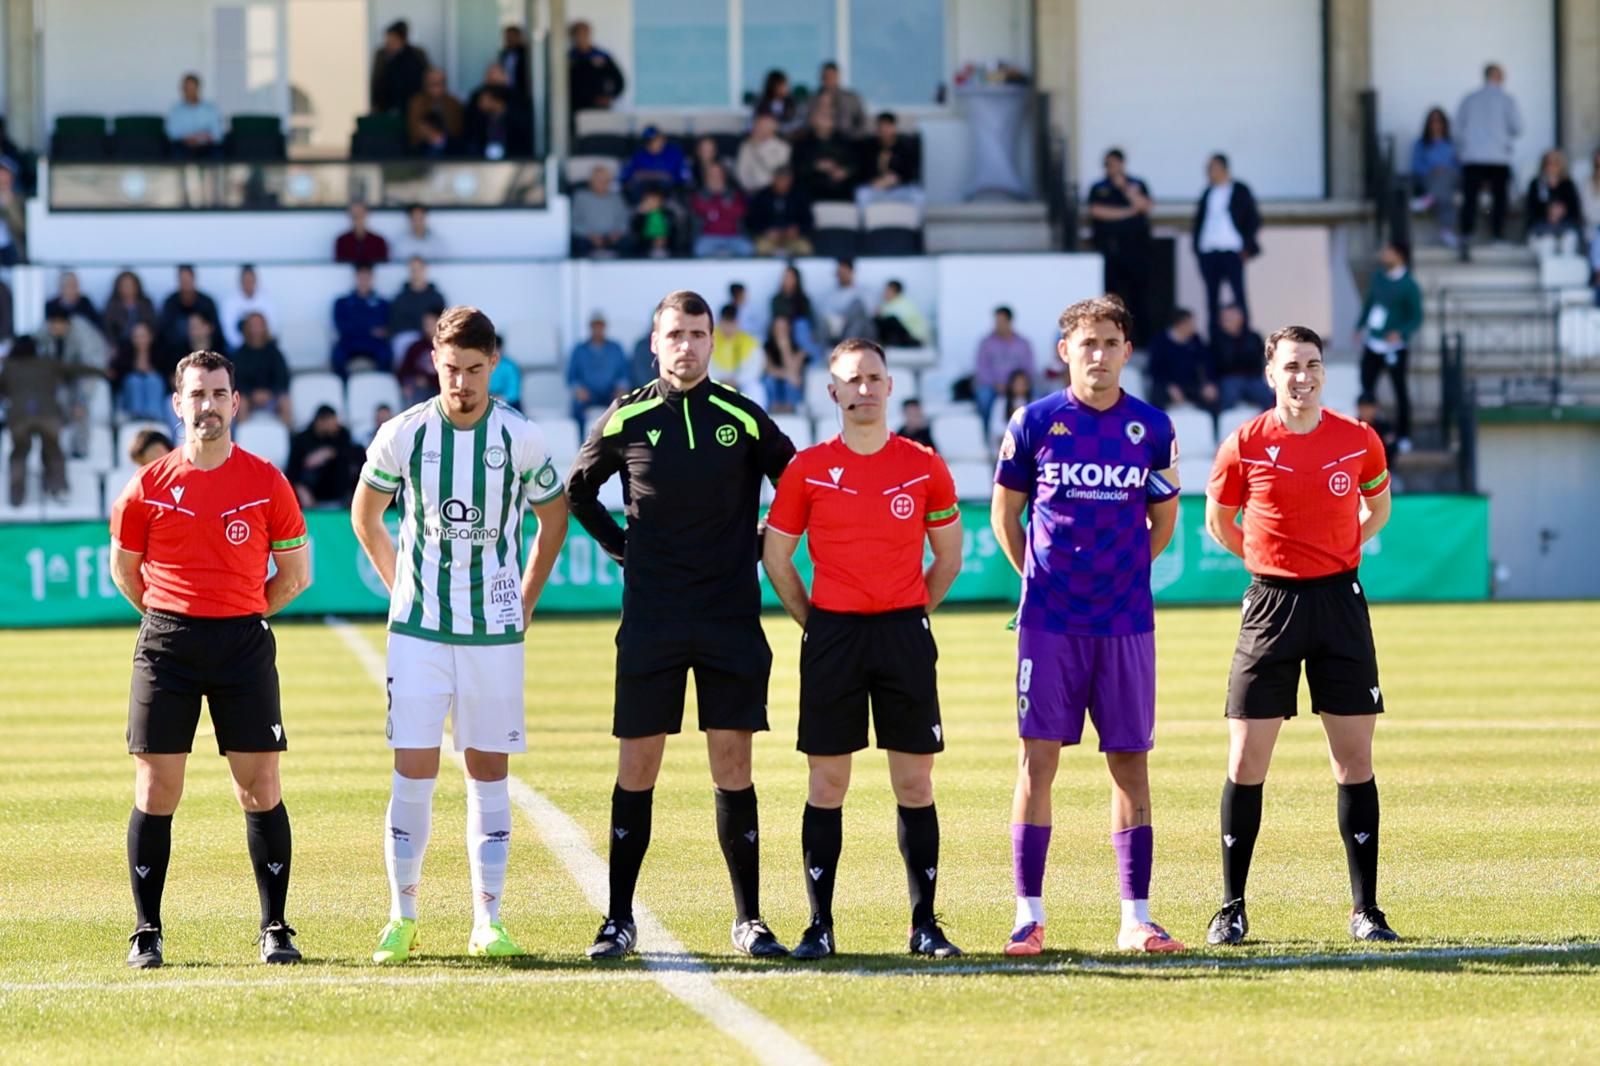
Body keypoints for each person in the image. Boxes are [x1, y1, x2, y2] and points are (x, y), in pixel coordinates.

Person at [565, 289, 797, 961]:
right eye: (674, 334)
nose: (686, 346)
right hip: (653, 618)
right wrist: (624, 548)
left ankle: (748, 920)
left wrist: (762, 542)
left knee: (734, 766)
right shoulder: (628, 415)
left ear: (712, 341)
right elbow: (578, 490)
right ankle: (617, 920)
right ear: (655, 342)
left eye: (697, 334)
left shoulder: (743, 418)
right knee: (638, 766)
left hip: (729, 616)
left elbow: (800, 485)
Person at [352, 306, 569, 964]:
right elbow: (367, 516)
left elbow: (552, 521)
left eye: (474, 370)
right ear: (434, 363)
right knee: (411, 771)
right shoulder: (405, 434)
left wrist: (524, 601)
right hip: (418, 631)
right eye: (451, 369)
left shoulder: (520, 438)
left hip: (492, 634)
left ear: (493, 364)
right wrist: (400, 589)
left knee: (488, 773)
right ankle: (403, 916)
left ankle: (488, 921)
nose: (462, 383)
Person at [991, 294, 1185, 957]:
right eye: (1086, 343)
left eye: (1110, 342)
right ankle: (1028, 915)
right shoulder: (1035, 422)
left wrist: (1123, 572)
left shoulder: (1153, 428)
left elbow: (1163, 520)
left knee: (1130, 765)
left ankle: (1135, 918)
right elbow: (1004, 514)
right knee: (1036, 761)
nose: (1098, 354)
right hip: (1049, 622)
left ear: (1127, 351)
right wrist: (1036, 578)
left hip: (1125, 621)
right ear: (1064, 352)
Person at [109, 349, 313, 969]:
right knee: (156, 786)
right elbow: (126, 573)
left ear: (235, 402)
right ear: (178, 404)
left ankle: (275, 927)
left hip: (242, 645)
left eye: (218, 394)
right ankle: (147, 930)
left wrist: (241, 610)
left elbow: (296, 576)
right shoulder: (146, 487)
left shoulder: (266, 481)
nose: (208, 406)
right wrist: (176, 615)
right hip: (167, 645)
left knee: (261, 786)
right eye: (196, 395)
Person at [763, 338, 965, 960]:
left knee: (915, 782)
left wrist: (910, 614)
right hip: (833, 636)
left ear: (889, 386)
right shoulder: (807, 468)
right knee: (827, 782)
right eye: (852, 380)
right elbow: (776, 557)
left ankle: (924, 925)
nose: (864, 389)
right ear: (834, 392)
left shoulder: (924, 464)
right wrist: (815, 623)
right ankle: (819, 926)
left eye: (874, 377)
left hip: (903, 634)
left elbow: (949, 556)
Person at [1203, 325, 1398, 946]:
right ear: (1271, 374)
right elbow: (1219, 523)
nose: (1302, 376)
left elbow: (1379, 508)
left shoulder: (1357, 440)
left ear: (1324, 371)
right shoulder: (1246, 443)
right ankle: (1231, 907)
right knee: (1245, 758)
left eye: (1313, 364)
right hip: (1271, 605)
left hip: (1340, 602)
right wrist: (1267, 561)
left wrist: (1336, 550)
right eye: (1291, 366)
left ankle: (1365, 910)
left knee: (1354, 760)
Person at [1354, 242, 1421, 451]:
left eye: (1388, 251)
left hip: (1394, 347)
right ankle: (1364, 432)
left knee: (1399, 390)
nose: (1384, 255)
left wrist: (1401, 332)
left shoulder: (1409, 285)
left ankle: (1403, 434)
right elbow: (1370, 303)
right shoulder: (1378, 278)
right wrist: (1360, 325)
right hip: (1373, 342)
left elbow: (1416, 317)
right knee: (1366, 386)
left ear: (1399, 255)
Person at [1192, 154, 1261, 338]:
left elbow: (1252, 219)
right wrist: (1198, 250)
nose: (1210, 172)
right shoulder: (1207, 192)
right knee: (1211, 298)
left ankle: (1244, 336)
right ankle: (1214, 337)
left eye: (1213, 167)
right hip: (1209, 251)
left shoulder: (1239, 190)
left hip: (1232, 250)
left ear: (1224, 168)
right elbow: (1199, 222)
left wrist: (1246, 246)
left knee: (1238, 295)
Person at [0, 338, 77, 504]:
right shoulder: (47, 363)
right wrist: (103, 370)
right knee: (53, 452)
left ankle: (16, 496)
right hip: (49, 416)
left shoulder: (9, 367)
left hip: (19, 417)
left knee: (19, 454)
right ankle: (58, 489)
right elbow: (74, 370)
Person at [1088, 150, 1154, 340]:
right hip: (1110, 250)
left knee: (1139, 297)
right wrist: (1129, 212)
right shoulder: (1099, 187)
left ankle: (1141, 340)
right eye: (1109, 164)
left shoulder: (1136, 184)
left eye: (1116, 163)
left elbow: (1146, 206)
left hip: (1137, 250)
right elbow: (1098, 211)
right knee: (1112, 298)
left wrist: (1125, 188)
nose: (1113, 168)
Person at [1456, 63, 1522, 245]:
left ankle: (1466, 233)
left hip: (1473, 157)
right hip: (1498, 158)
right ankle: (1497, 236)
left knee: (1470, 197)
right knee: (1499, 198)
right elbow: (1518, 128)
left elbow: (1457, 129)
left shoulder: (1470, 99)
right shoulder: (1507, 100)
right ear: (1499, 77)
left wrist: (1466, 147)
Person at [973, 306, 1036, 438]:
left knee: (1038, 400)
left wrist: (1016, 384)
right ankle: (987, 438)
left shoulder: (1022, 344)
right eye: (996, 321)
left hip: (1018, 386)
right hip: (993, 387)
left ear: (1009, 321)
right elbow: (981, 369)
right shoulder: (986, 343)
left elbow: (1028, 368)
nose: (998, 325)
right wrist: (997, 384)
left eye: (1001, 321)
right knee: (984, 398)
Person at [287, 405, 360, 508]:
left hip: (337, 489)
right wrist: (301, 490)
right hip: (310, 492)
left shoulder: (342, 434)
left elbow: (350, 454)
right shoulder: (301, 440)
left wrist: (329, 452)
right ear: (320, 422)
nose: (335, 426)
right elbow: (292, 471)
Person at [1147, 308, 1218, 413]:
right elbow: (1155, 369)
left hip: (1190, 385)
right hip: (1166, 385)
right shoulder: (1160, 342)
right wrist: (1169, 386)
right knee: (1157, 395)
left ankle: (1213, 426)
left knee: (1211, 398)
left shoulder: (1195, 340)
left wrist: (1209, 383)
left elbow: (1206, 363)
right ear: (1181, 324)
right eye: (1191, 323)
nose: (1194, 327)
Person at [566, 312, 630, 424]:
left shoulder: (616, 348)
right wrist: (578, 389)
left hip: (610, 392)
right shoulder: (579, 350)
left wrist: (621, 388)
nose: (598, 329)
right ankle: (582, 439)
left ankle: (620, 439)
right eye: (595, 326)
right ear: (590, 327)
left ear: (605, 327)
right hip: (588, 394)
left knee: (625, 404)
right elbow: (572, 376)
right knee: (577, 407)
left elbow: (624, 373)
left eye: (600, 325)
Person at [1410, 108, 1461, 247]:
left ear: (1444, 123)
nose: (1436, 124)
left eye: (1439, 121)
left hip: (1450, 178)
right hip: (1430, 178)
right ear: (1428, 123)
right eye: (1433, 121)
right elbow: (1415, 166)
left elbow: (1460, 167)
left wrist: (1445, 169)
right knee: (1446, 192)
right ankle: (1446, 231)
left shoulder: (1452, 144)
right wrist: (1432, 169)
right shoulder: (1420, 144)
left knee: (1447, 176)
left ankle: (1429, 199)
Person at [855, 113, 923, 215]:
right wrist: (874, 181)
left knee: (918, 196)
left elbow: (911, 172)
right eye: (881, 127)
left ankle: (916, 229)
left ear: (894, 127)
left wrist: (896, 179)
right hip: (876, 188)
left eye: (888, 126)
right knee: (862, 194)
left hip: (898, 189)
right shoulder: (869, 146)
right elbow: (863, 171)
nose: (884, 130)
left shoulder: (905, 146)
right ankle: (865, 228)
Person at [332, 263, 391, 378]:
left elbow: (385, 327)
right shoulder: (342, 302)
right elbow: (341, 327)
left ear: (372, 278)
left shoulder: (383, 303)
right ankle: (345, 388)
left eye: (367, 277)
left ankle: (378, 384)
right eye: (361, 277)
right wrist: (370, 329)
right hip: (349, 342)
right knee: (337, 356)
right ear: (356, 278)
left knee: (386, 355)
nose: (364, 281)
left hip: (374, 344)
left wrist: (358, 326)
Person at [1210, 304, 1274, 411]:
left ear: (1240, 318)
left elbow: (1263, 357)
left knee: (1268, 397)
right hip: (1229, 379)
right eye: (1224, 318)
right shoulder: (1217, 340)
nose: (1226, 321)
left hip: (1252, 378)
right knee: (1228, 397)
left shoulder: (1253, 337)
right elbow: (1212, 364)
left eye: (1230, 318)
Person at [232, 313, 291, 423]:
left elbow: (283, 378)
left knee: (285, 402)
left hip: (272, 397)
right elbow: (236, 380)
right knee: (241, 404)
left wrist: (270, 393)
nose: (256, 329)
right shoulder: (239, 355)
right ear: (246, 328)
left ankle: (288, 437)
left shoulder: (275, 353)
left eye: (259, 325)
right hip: (249, 398)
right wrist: (252, 394)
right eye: (252, 325)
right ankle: (241, 437)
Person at [1524, 148, 1584, 255]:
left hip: (1565, 226)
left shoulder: (1568, 184)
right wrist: (1548, 212)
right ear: (1543, 165)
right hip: (1542, 227)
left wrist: (1561, 212)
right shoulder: (1537, 184)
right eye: (1549, 163)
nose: (1552, 167)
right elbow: (1531, 210)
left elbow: (1575, 210)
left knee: (1569, 240)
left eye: (1555, 163)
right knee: (1548, 242)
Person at [793, 107, 858, 204]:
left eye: (829, 117)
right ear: (813, 120)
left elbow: (855, 163)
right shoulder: (803, 143)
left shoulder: (844, 141)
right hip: (811, 188)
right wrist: (816, 166)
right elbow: (796, 167)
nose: (826, 121)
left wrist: (844, 171)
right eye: (822, 117)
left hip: (840, 188)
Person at [157, 265, 220, 362]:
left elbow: (217, 333)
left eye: (188, 279)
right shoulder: (170, 303)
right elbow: (164, 334)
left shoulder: (207, 302)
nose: (185, 283)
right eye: (182, 280)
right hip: (176, 354)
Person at [748, 167, 814, 258]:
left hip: (792, 237)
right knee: (761, 248)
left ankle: (793, 271)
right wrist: (766, 231)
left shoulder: (799, 196)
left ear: (791, 181)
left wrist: (798, 229)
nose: (783, 183)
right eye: (780, 179)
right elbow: (752, 220)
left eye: (786, 180)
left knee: (805, 248)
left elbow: (808, 220)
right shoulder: (762, 196)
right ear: (774, 179)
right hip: (769, 237)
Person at [690, 163, 753, 258]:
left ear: (723, 176)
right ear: (706, 177)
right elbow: (699, 210)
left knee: (748, 249)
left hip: (733, 237)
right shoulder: (699, 195)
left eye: (718, 174)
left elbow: (739, 212)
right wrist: (725, 208)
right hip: (709, 237)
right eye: (712, 174)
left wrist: (715, 210)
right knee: (699, 250)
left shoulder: (734, 194)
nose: (715, 177)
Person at [370, 20, 430, 115]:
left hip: (412, 108)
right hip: (386, 108)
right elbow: (376, 82)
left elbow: (425, 79)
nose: (388, 43)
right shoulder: (381, 56)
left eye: (392, 39)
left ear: (402, 40)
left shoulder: (416, 55)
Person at [572, 165, 631, 258]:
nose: (601, 182)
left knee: (627, 242)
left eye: (605, 180)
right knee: (579, 244)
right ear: (591, 181)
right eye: (598, 179)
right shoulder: (580, 197)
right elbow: (574, 222)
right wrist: (590, 235)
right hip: (588, 238)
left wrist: (617, 233)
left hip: (612, 239)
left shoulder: (616, 198)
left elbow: (624, 221)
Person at [117, 323, 171, 424]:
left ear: (150, 337)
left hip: (156, 401)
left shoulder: (161, 354)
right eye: (136, 337)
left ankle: (154, 418)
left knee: (153, 380)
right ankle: (136, 418)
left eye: (143, 336)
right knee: (134, 380)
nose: (140, 340)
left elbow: (166, 377)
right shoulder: (125, 355)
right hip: (129, 398)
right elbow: (119, 378)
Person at [569, 20, 625, 113]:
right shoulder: (569, 58)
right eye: (578, 33)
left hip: (598, 107)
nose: (581, 37)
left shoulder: (602, 56)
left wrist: (610, 97)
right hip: (574, 107)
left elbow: (619, 80)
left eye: (584, 33)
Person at [800, 62, 867, 139]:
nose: (828, 80)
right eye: (826, 77)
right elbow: (804, 121)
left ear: (837, 77)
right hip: (817, 141)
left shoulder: (851, 99)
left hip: (847, 141)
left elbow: (863, 123)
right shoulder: (811, 100)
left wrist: (853, 138)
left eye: (831, 77)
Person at [623, 126, 690, 200]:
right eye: (650, 142)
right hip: (644, 193)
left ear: (663, 139)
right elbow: (629, 176)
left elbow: (685, 177)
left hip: (668, 192)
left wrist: (668, 177)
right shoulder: (638, 154)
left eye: (657, 140)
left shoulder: (675, 153)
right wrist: (661, 175)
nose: (654, 144)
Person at [220, 265, 277, 351]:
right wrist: (243, 347)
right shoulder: (230, 302)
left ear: (256, 281)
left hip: (263, 346)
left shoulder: (267, 301)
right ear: (240, 282)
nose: (248, 284)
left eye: (251, 281)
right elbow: (228, 330)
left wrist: (258, 344)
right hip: (238, 347)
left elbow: (273, 327)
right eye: (245, 281)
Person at [407, 68, 464, 153]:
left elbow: (457, 129)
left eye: (439, 83)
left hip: (449, 148)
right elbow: (414, 130)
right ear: (426, 85)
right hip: (422, 148)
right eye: (432, 84)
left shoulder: (453, 103)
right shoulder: (417, 102)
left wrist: (441, 138)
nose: (436, 87)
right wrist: (428, 135)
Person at [166, 74, 223, 159]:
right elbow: (171, 132)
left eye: (191, 88)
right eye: (186, 88)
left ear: (198, 88)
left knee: (217, 153)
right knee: (175, 151)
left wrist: (201, 138)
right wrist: (187, 138)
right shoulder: (176, 110)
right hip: (183, 146)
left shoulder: (210, 108)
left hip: (207, 146)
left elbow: (218, 132)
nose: (189, 91)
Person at [467, 86, 532, 160]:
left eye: (483, 101)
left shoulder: (517, 119)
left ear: (495, 101)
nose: (479, 104)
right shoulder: (480, 120)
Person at [711, 303, 763, 394]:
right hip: (716, 381)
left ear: (737, 322)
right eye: (726, 323)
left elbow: (754, 367)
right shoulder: (710, 339)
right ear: (720, 322)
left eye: (732, 324)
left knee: (755, 389)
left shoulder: (748, 341)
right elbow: (706, 366)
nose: (728, 328)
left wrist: (737, 380)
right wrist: (721, 379)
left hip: (739, 383)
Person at [389, 257, 447, 338]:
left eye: (419, 269)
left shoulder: (436, 297)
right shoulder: (400, 298)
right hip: (409, 337)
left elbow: (444, 321)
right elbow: (395, 324)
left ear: (425, 270)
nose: (416, 272)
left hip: (432, 336)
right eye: (413, 269)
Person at [819, 258, 873, 344]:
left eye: (844, 273)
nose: (841, 276)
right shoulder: (831, 295)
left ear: (851, 272)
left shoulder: (863, 291)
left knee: (857, 306)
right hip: (838, 331)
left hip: (862, 329)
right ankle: (848, 344)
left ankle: (847, 343)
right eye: (839, 273)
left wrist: (847, 319)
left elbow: (869, 312)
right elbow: (825, 315)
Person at [736, 115, 791, 195]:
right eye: (756, 125)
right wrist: (748, 187)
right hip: (749, 191)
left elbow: (777, 170)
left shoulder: (783, 147)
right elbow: (741, 171)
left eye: (762, 125)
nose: (757, 128)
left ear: (772, 128)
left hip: (773, 192)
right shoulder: (746, 146)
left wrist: (759, 148)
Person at [103, 271, 158, 351]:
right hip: (120, 345)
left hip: (144, 344)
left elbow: (152, 325)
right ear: (118, 287)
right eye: (124, 285)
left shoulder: (146, 304)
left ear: (137, 286)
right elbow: (108, 329)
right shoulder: (112, 306)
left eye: (130, 285)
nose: (128, 288)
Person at [762, 315, 806, 413]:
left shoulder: (798, 348)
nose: (781, 331)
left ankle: (789, 409)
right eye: (778, 328)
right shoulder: (766, 347)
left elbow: (794, 372)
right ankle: (773, 409)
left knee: (790, 383)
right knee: (769, 380)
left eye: (784, 328)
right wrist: (787, 375)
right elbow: (769, 370)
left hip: (790, 387)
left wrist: (785, 348)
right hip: (775, 384)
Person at [770, 265, 817, 353]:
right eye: (785, 276)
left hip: (800, 334)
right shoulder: (776, 299)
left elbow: (809, 319)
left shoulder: (803, 299)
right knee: (781, 324)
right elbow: (778, 316)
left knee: (801, 326)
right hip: (783, 334)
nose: (787, 280)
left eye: (790, 277)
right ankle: (788, 359)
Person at [396, 311, 440, 406]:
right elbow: (403, 371)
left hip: (441, 390)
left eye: (431, 323)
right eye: (425, 324)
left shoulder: (448, 348)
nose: (427, 327)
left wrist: (428, 381)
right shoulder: (416, 347)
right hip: (419, 391)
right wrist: (408, 382)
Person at [874, 280, 929, 348]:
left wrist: (880, 314)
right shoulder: (888, 304)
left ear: (894, 291)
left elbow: (896, 320)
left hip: (914, 339)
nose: (884, 293)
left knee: (890, 320)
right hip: (906, 338)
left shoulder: (904, 303)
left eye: (887, 290)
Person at [630, 189, 676, 258]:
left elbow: (673, 230)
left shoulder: (668, 214)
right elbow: (636, 231)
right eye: (649, 201)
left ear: (661, 201)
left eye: (654, 200)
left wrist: (664, 239)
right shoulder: (640, 215)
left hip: (666, 244)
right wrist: (640, 214)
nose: (652, 203)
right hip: (646, 245)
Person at [0, 164, 28, 264]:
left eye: (5, 182)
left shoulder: (19, 200)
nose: (2, 185)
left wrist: (10, 206)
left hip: (11, 248)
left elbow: (22, 228)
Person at [497, 25, 530, 99]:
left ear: (518, 37)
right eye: (507, 37)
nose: (509, 39)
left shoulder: (525, 53)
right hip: (505, 90)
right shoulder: (503, 53)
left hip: (521, 90)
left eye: (512, 36)